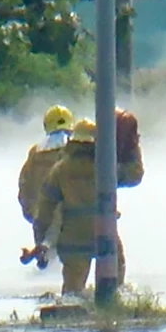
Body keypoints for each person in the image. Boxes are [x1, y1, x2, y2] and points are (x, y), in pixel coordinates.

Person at [32, 118, 126, 297]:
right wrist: (132, 147)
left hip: (72, 240)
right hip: (104, 235)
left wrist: (40, 241)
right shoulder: (106, 166)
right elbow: (134, 175)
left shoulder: (60, 169)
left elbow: (45, 207)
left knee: (71, 296)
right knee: (115, 292)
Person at [18, 105, 75, 258]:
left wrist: (32, 213)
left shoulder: (35, 153)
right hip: (73, 220)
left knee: (46, 262)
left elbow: (24, 187)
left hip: (41, 218)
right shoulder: (76, 150)